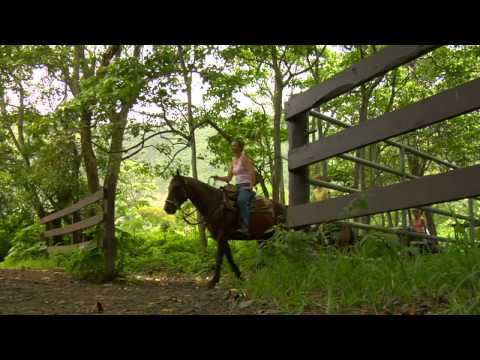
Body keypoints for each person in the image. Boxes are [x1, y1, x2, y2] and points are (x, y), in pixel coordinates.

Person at [213, 140, 256, 236]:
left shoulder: (245, 159)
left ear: (240, 147)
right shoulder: (233, 161)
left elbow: (252, 173)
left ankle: (246, 227)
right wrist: (218, 177)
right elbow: (229, 178)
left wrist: (251, 186)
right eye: (232, 146)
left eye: (234, 146)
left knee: (241, 201)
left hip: (246, 186)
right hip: (237, 187)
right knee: (224, 201)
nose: (232, 147)